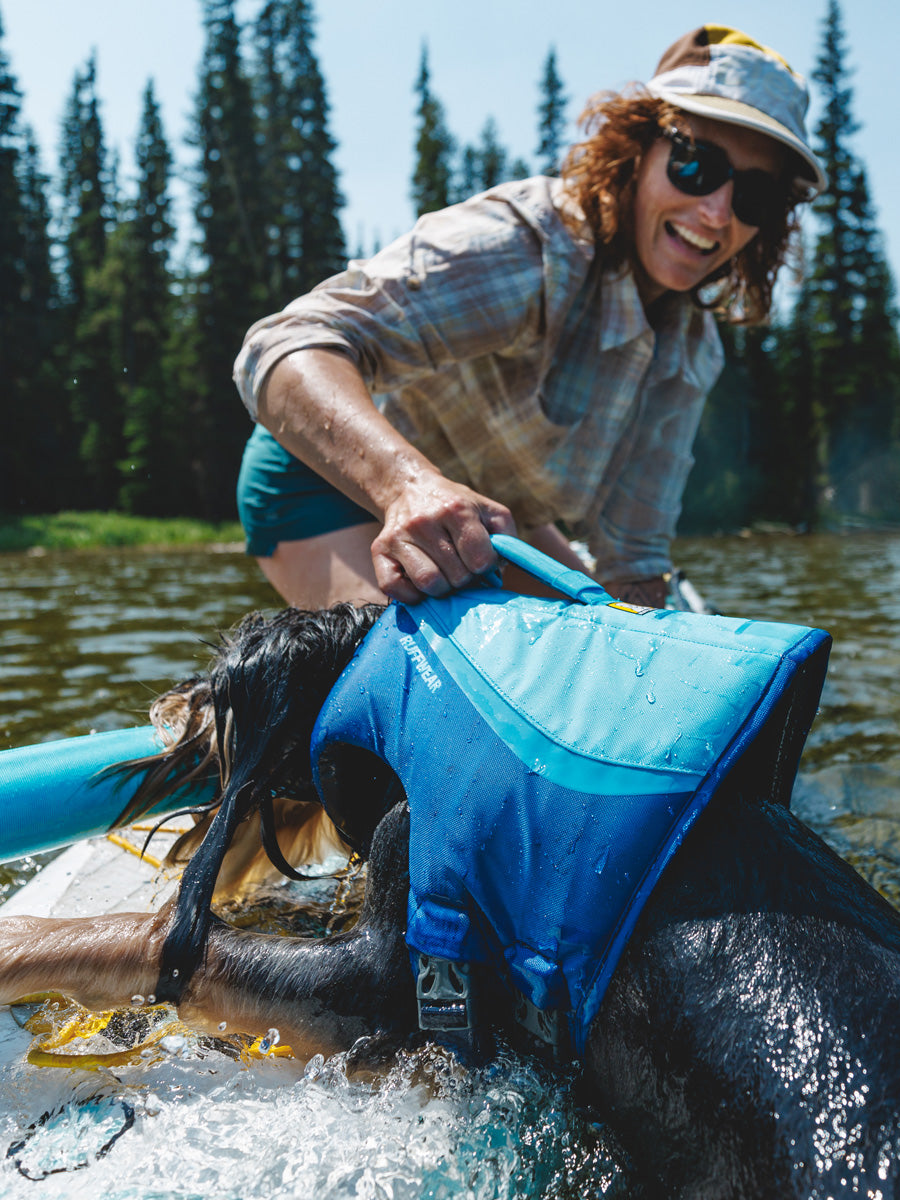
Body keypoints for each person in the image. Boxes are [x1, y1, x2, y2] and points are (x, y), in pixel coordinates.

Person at [233, 25, 825, 610]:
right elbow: (289, 342)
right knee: (424, 665)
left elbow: (634, 556)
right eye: (695, 165)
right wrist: (405, 484)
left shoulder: (691, 352)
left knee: (605, 626)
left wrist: (650, 640)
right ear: (638, 149)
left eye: (755, 195)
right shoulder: (529, 250)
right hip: (319, 478)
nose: (718, 212)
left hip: (488, 521)